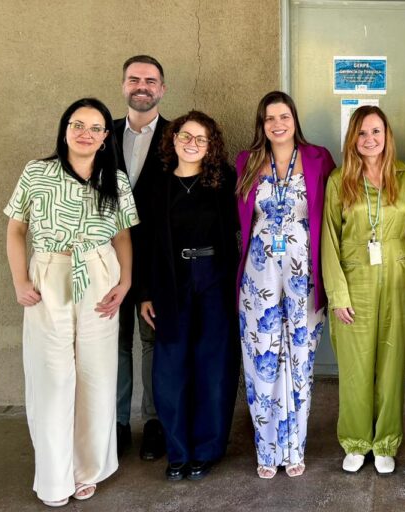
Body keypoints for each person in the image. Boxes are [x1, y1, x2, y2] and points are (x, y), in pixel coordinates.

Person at [5, 98, 138, 507]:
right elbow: (16, 230)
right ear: (65, 130)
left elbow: (121, 237)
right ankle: (54, 476)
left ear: (104, 138)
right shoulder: (37, 172)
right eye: (78, 125)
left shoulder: (113, 178)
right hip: (50, 274)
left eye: (96, 128)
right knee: (53, 378)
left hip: (99, 274)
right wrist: (20, 280)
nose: (86, 133)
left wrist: (125, 282)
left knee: (97, 377)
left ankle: (87, 468)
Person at [236, 91, 335, 479]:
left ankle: (294, 447)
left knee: (298, 359)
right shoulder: (248, 161)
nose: (278, 124)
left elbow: (331, 214)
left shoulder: (318, 158)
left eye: (284, 116)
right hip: (258, 277)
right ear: (262, 124)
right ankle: (267, 449)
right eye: (269, 118)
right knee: (262, 360)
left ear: (295, 119)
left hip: (303, 278)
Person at [139, 111, 241, 481]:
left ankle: (207, 449)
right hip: (170, 280)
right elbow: (144, 241)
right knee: (170, 367)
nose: (193, 143)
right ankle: (177, 450)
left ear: (211, 144)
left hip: (214, 278)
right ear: (174, 138)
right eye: (186, 136)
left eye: (202, 138)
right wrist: (145, 292)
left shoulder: (224, 179)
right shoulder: (156, 183)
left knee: (213, 365)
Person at [321, 106, 405, 475]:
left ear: (387, 134)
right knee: (356, 367)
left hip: (397, 276)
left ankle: (386, 441)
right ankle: (356, 441)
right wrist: (338, 293)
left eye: (376, 131)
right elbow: (328, 238)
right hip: (354, 278)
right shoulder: (338, 179)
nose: (369, 140)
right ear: (352, 139)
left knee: (392, 365)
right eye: (361, 133)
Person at [113, 54, 169, 460]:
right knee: (114, 344)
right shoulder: (103, 134)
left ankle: (153, 422)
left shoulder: (176, 136)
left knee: (152, 341)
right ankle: (116, 424)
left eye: (150, 81)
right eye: (134, 79)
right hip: (106, 261)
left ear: (162, 89)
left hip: (154, 261)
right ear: (124, 86)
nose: (142, 87)